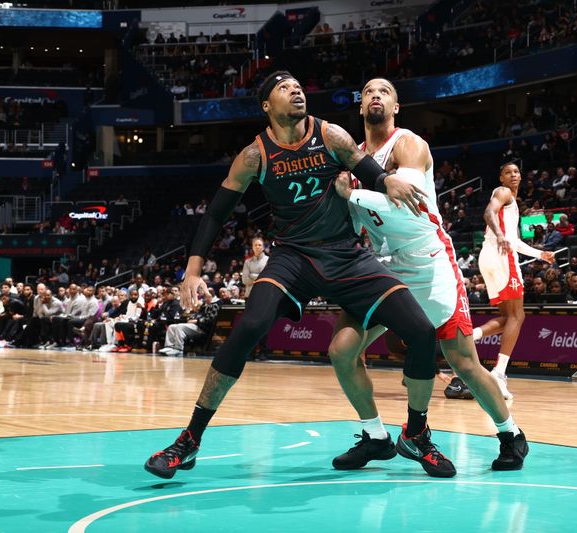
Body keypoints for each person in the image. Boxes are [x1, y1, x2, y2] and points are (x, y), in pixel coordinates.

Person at [145, 71, 446, 480]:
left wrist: (388, 180)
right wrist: (193, 269)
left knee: (423, 333)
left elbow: (369, 169)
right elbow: (217, 212)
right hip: (294, 258)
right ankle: (190, 440)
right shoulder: (255, 155)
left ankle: (416, 434)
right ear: (267, 106)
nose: (297, 91)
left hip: (347, 256)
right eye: (285, 88)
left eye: (299, 86)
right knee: (248, 326)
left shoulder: (332, 135)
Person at [329, 78, 529, 474]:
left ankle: (511, 435)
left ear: (396, 106)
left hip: (429, 262)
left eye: (384, 91)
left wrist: (349, 195)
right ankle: (376, 437)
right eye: (368, 90)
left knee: (463, 362)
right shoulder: (354, 161)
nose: (375, 96)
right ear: (360, 106)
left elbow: (404, 204)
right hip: (384, 267)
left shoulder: (409, 144)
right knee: (341, 350)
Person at [467, 163, 555, 399]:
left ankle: (470, 336)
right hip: (500, 256)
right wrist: (499, 235)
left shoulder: (513, 205)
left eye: (516, 172)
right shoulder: (503, 193)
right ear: (501, 177)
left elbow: (514, 240)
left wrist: (540, 254)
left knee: (509, 317)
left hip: (489, 256)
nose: (513, 175)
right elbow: (488, 213)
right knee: (518, 316)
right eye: (508, 172)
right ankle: (499, 372)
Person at [158, 292, 221, 356]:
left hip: (203, 328)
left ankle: (178, 349)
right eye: (204, 297)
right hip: (196, 326)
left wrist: (197, 321)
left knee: (180, 327)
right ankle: (169, 347)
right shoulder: (205, 304)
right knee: (172, 326)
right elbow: (197, 314)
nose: (205, 299)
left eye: (206, 297)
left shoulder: (215, 305)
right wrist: (191, 318)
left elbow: (210, 320)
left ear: (211, 297)